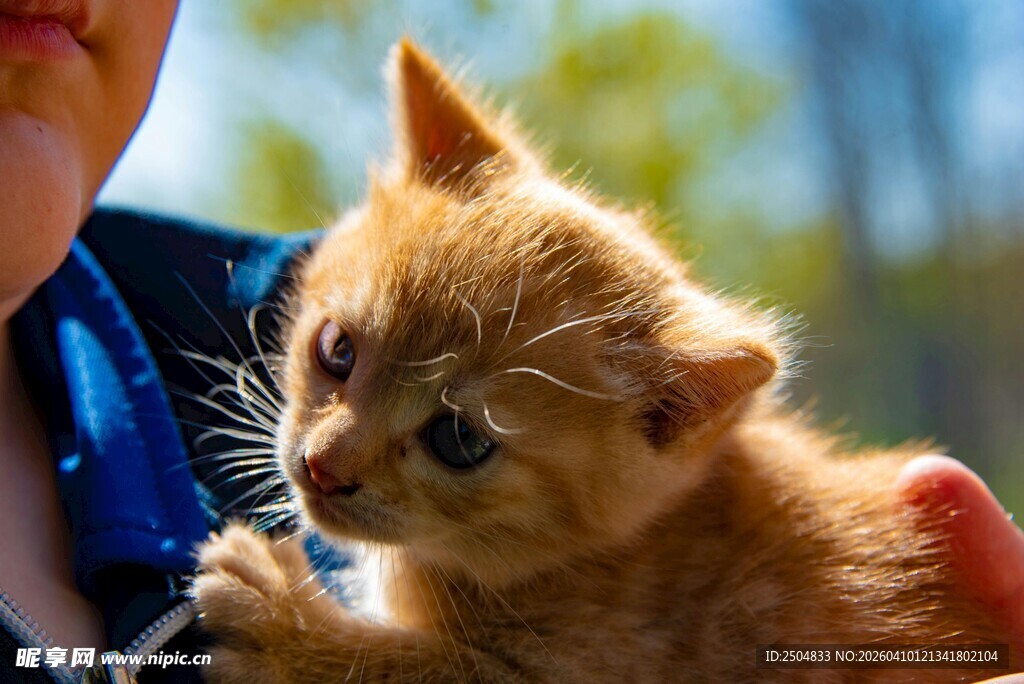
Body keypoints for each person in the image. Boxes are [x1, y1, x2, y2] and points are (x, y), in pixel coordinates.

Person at [0, 2, 1020, 682]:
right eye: (339, 356)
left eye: (455, 441)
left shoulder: (648, 556)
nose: (324, 455)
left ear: (670, 420)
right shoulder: (189, 323)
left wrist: (321, 654)